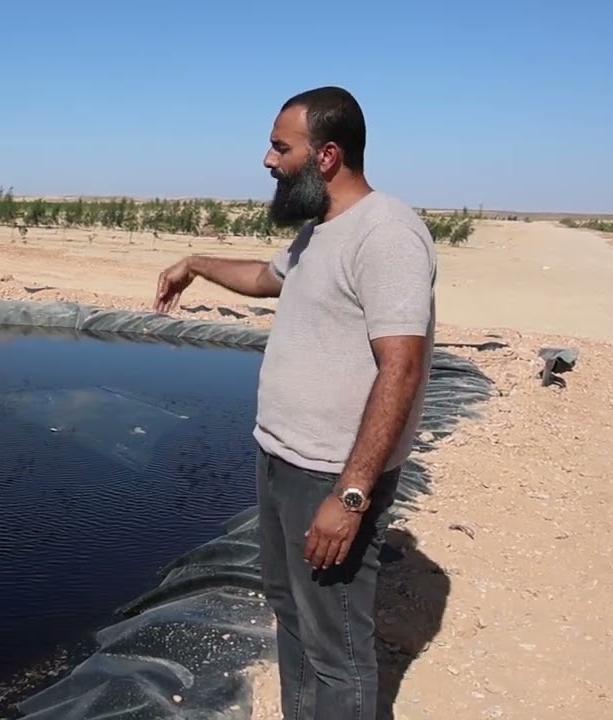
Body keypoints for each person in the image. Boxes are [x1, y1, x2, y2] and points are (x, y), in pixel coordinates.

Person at [154, 86, 437, 720]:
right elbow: (265, 278)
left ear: (327, 155)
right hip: (281, 459)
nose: (267, 160)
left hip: (331, 475)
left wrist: (352, 493)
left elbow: (403, 367)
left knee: (336, 645)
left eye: (281, 147)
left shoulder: (386, 233)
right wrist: (194, 262)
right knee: (290, 614)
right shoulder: (320, 229)